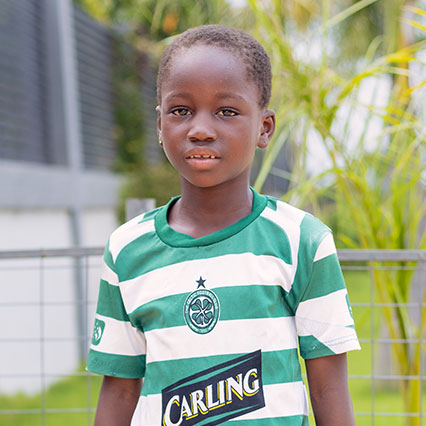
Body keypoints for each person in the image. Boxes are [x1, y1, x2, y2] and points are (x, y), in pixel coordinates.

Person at [87, 25, 360, 426]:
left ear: (264, 128)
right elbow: (120, 389)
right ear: (160, 125)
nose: (200, 129)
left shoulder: (301, 241)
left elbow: (328, 389)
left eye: (226, 111)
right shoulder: (127, 249)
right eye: (181, 111)